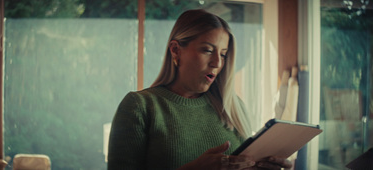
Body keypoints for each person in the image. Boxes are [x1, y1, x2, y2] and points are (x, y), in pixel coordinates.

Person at [108, 9, 293, 170]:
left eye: (223, 54)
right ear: (175, 50)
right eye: (207, 50)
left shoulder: (233, 108)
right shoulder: (139, 107)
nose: (217, 63)